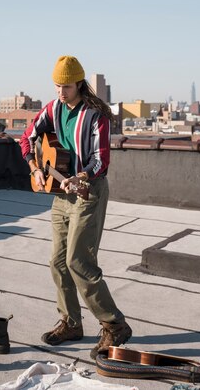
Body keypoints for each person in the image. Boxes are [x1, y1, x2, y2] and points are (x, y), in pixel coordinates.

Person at [20, 55, 132, 359]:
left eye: (66, 86)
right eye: (56, 86)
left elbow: (101, 159)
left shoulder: (97, 115)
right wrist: (35, 169)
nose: (60, 92)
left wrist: (81, 176)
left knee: (78, 261)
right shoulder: (52, 109)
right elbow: (27, 139)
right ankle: (70, 323)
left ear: (79, 83)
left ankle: (114, 324)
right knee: (57, 261)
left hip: (88, 191)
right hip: (60, 192)